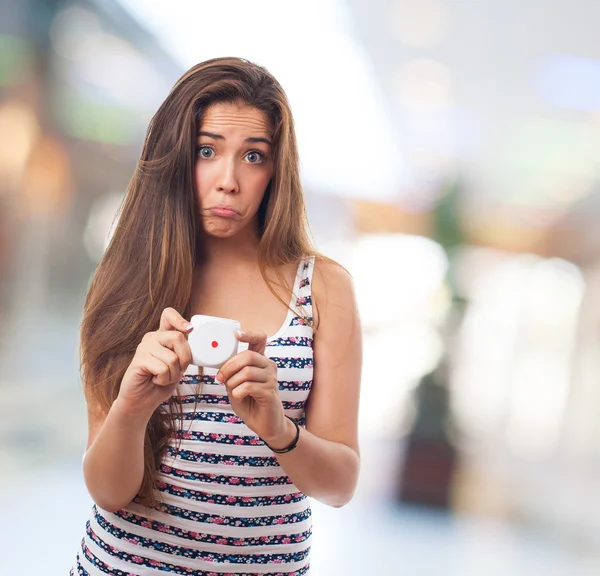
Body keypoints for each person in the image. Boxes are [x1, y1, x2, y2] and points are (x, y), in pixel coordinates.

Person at [71, 57, 362, 576]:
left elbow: (340, 486)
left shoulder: (322, 289)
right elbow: (109, 493)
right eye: (207, 151)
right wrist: (133, 409)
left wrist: (279, 429)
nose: (229, 180)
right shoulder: (124, 282)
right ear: (176, 156)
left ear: (276, 169)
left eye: (254, 155)